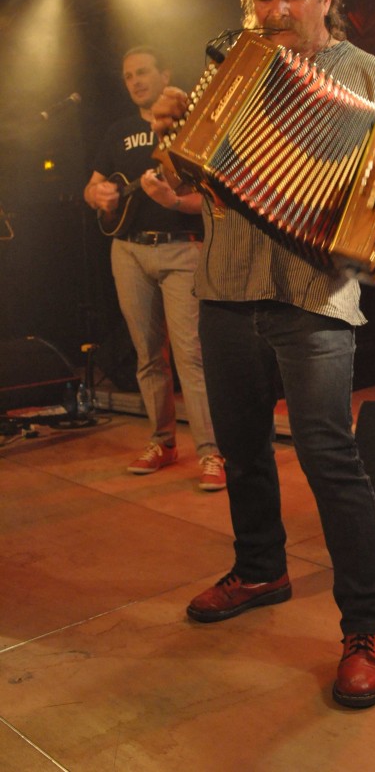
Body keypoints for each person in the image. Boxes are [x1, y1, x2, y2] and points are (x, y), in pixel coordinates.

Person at [152, 0, 375, 707]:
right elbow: (186, 173)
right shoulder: (233, 69)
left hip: (315, 299)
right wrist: (171, 135)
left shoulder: (371, 77)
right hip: (223, 288)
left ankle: (368, 626)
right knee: (244, 450)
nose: (278, 11)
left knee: (328, 458)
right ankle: (259, 569)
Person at [83, 46, 226, 493]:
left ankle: (211, 452)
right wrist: (98, 196)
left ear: (165, 74)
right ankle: (161, 442)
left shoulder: (190, 126)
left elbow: (213, 198)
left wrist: (174, 202)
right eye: (128, 76)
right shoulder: (118, 131)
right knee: (148, 354)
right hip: (128, 252)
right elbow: (93, 185)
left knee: (191, 356)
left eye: (143, 72)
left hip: (183, 251)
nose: (136, 81)